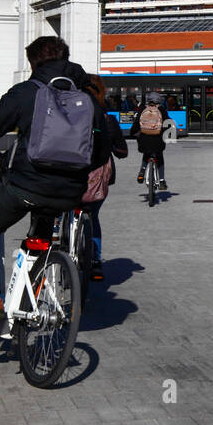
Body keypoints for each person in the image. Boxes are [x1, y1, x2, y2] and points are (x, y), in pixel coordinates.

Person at [0, 36, 119, 335]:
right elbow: (103, 148)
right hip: (69, 194)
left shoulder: (27, 92)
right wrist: (74, 172)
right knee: (38, 238)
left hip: (25, 188)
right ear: (65, 58)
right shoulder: (88, 99)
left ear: (33, 63)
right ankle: (26, 303)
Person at [80, 76, 128, 281]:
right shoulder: (107, 119)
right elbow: (123, 151)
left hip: (70, 176)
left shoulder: (70, 114)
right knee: (93, 217)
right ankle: (95, 262)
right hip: (98, 179)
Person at [129, 92, 169, 192]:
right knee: (159, 156)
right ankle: (162, 181)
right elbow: (168, 123)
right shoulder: (161, 110)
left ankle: (142, 171)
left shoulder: (143, 109)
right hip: (157, 140)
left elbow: (136, 125)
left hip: (144, 140)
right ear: (159, 101)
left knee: (146, 152)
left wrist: (133, 133)